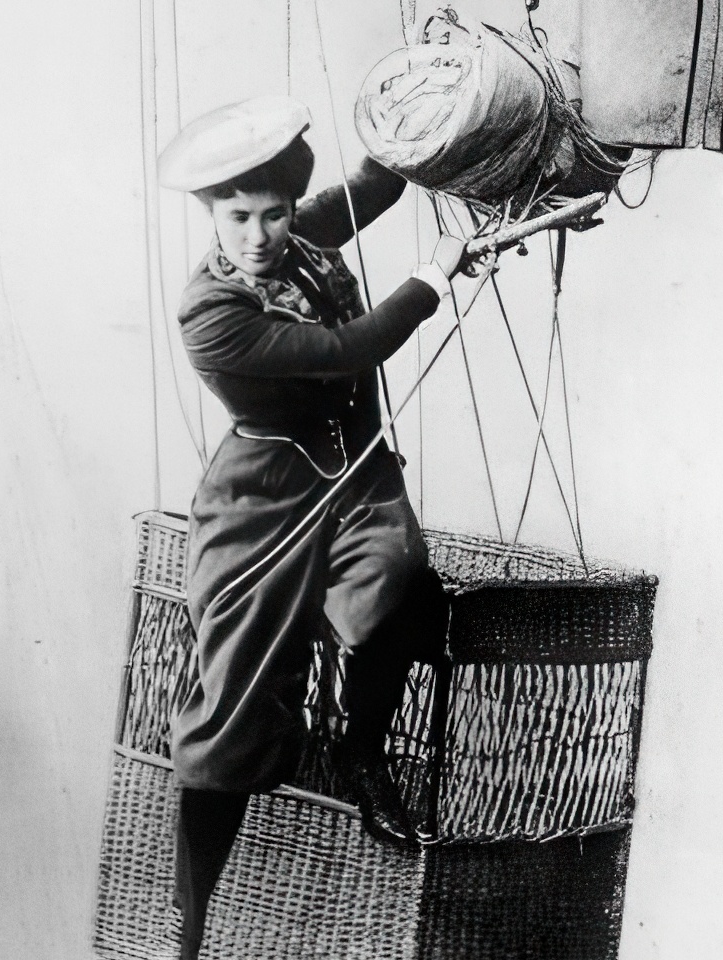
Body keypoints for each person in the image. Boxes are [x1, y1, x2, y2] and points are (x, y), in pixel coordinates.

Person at [158, 95, 463, 960]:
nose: (257, 235)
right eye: (237, 217)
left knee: (399, 582)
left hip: (356, 472)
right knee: (228, 710)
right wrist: (435, 277)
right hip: (262, 496)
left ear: (292, 208)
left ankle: (362, 752)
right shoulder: (211, 313)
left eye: (275, 213)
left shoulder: (303, 243)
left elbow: (370, 187)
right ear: (212, 215)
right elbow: (345, 352)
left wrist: (431, 118)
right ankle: (191, 924)